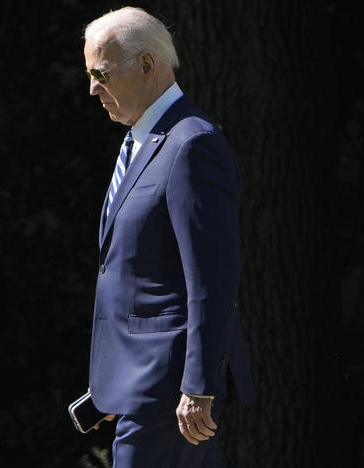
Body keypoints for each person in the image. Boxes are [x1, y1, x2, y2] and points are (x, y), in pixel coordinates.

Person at [82, 6, 255, 467]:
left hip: (172, 398)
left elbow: (210, 279)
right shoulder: (142, 141)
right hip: (139, 389)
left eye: (100, 72)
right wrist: (113, 380)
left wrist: (198, 386)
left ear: (146, 64)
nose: (93, 88)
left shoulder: (192, 144)